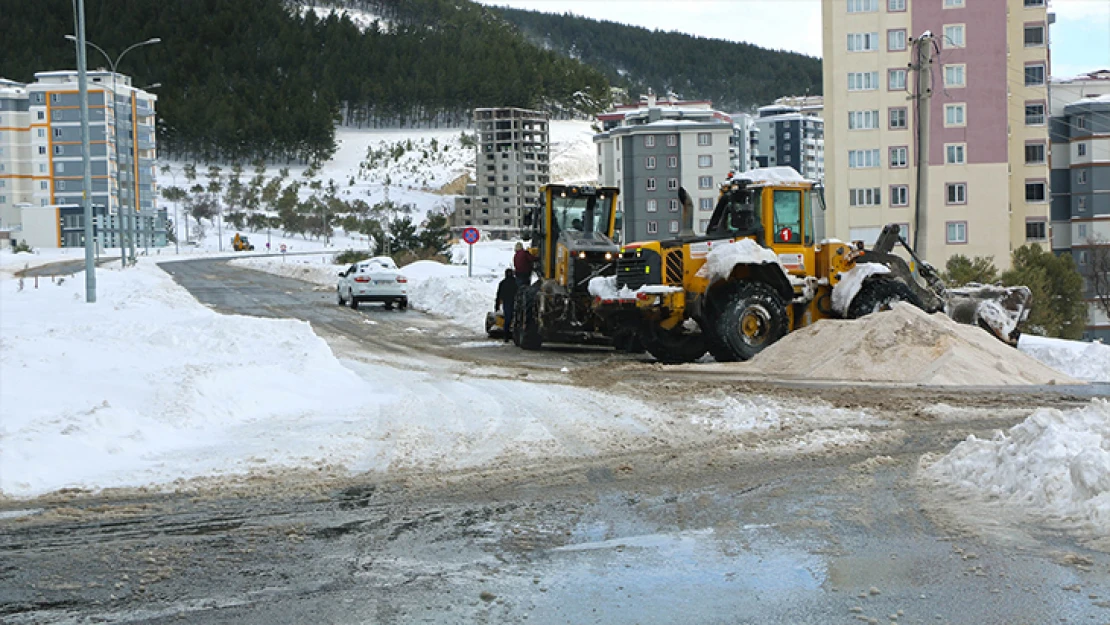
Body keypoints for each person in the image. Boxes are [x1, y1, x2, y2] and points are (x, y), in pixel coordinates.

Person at [495, 268, 517, 342]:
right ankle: (514, 334)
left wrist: (497, 305)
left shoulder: (502, 283)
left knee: (507, 318)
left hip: (506, 302)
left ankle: (506, 335)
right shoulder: (516, 282)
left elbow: (499, 295)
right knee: (516, 318)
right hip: (515, 302)